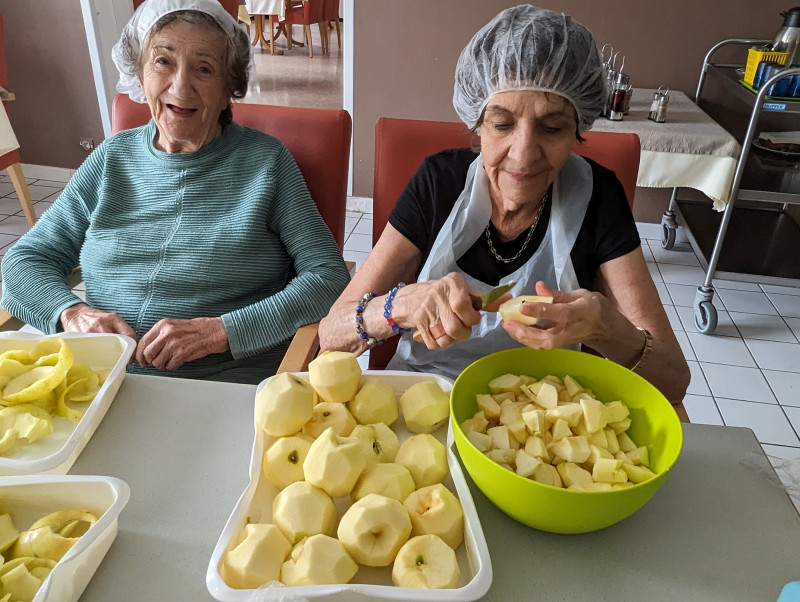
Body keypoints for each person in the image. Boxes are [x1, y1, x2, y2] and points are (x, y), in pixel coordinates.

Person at [319, 5, 689, 404]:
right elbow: (332, 333)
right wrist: (397, 307)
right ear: (476, 123)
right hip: (423, 404)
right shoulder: (438, 184)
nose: (524, 154)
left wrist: (606, 328)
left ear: (579, 128)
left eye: (552, 127)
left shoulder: (598, 197)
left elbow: (673, 379)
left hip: (544, 423)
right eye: (502, 125)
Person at [0, 0, 349, 384]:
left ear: (229, 88)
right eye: (163, 62)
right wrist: (72, 313)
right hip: (102, 380)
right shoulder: (112, 158)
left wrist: (221, 331)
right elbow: (24, 261)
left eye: (204, 68)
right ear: (139, 74)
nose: (181, 86)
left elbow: (328, 277)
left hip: (224, 384)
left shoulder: (266, 163)